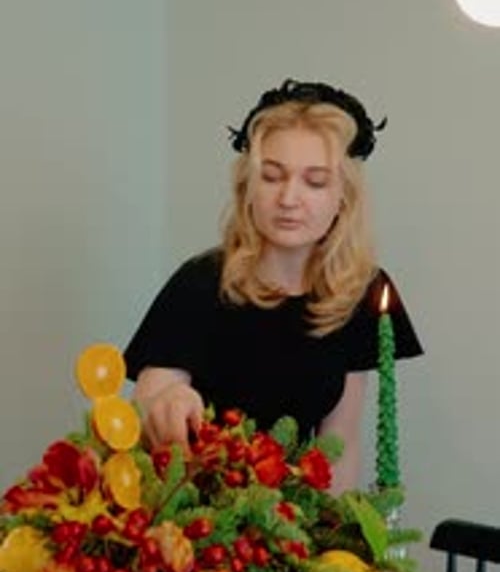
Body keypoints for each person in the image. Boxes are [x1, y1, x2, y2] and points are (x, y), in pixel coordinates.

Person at [124, 78, 423, 494]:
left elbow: (341, 444)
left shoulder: (362, 291)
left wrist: (336, 547)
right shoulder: (200, 283)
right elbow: (146, 405)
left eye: (314, 182)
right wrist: (167, 403)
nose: (288, 198)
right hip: (197, 523)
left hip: (297, 532)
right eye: (271, 176)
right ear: (248, 186)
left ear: (343, 197)